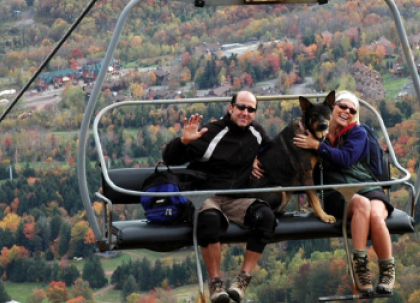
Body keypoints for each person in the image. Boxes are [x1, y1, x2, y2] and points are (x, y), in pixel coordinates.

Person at [163, 91, 275, 303]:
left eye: (251, 109)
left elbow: (273, 151)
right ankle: (216, 284)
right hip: (206, 195)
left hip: (236, 198)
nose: (245, 112)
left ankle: (242, 279)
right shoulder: (212, 132)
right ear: (230, 108)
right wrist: (183, 142)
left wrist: (258, 158)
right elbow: (170, 158)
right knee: (210, 219)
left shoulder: (256, 133)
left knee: (266, 217)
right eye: (241, 107)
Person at [293, 90, 395, 295]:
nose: (346, 111)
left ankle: (387, 271)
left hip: (366, 186)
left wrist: (318, 147)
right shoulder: (312, 131)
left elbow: (346, 158)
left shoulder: (357, 133)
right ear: (332, 108)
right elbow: (286, 147)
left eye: (351, 109)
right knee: (362, 205)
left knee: (376, 215)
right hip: (335, 192)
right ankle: (361, 266)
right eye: (342, 106)